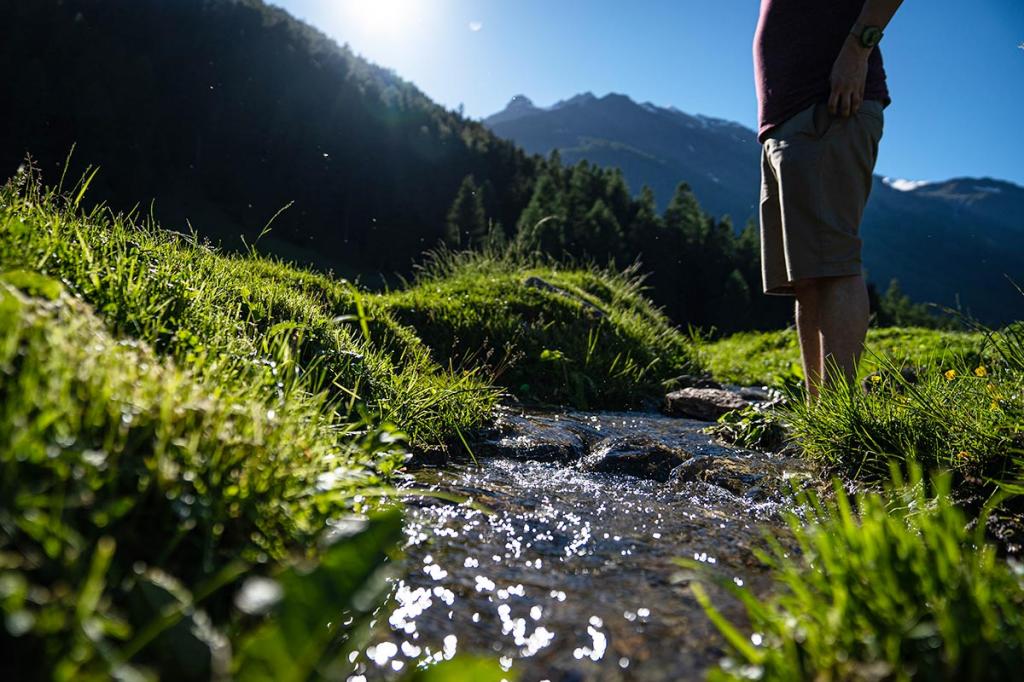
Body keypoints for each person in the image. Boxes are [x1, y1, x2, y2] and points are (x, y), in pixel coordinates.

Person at [754, 0, 904, 399]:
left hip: (829, 106)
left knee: (833, 266)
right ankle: (820, 415)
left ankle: (840, 421)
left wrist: (859, 47)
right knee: (806, 275)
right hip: (784, 122)